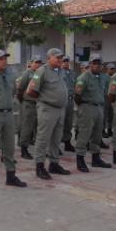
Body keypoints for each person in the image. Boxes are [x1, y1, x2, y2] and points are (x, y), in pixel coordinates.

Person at [26, 47, 71, 180]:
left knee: (56, 138)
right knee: (43, 138)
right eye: (57, 57)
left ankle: (54, 163)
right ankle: (39, 166)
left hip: (60, 109)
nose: (60, 59)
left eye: (61, 57)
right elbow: (31, 91)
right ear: (49, 58)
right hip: (47, 108)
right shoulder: (42, 71)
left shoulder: (61, 71)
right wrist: (45, 98)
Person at [74, 53, 112, 172]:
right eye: (94, 63)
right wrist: (83, 107)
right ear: (90, 64)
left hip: (99, 108)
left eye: (98, 63)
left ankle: (96, 159)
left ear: (102, 65)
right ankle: (80, 160)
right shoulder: (84, 77)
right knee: (84, 134)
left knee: (97, 134)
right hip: (87, 107)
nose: (96, 65)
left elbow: (108, 89)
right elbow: (77, 96)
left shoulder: (103, 77)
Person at [16, 55, 42, 159]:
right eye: (36, 62)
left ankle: (36, 146)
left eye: (39, 62)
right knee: (26, 127)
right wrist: (23, 101)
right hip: (28, 103)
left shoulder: (40, 73)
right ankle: (24, 149)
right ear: (31, 63)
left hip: (37, 104)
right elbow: (20, 89)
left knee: (36, 126)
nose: (38, 64)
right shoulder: (27, 73)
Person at [61, 55, 76, 152]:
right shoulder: (58, 72)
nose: (66, 63)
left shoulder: (72, 73)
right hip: (62, 100)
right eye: (64, 61)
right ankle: (56, 144)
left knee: (69, 123)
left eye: (67, 61)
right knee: (59, 123)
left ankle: (67, 142)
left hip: (70, 100)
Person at [102, 63, 116, 138]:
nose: (112, 70)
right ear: (107, 69)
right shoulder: (104, 77)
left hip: (112, 98)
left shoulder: (114, 77)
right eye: (111, 69)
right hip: (105, 97)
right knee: (104, 115)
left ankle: (110, 129)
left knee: (111, 115)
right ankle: (103, 130)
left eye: (113, 69)